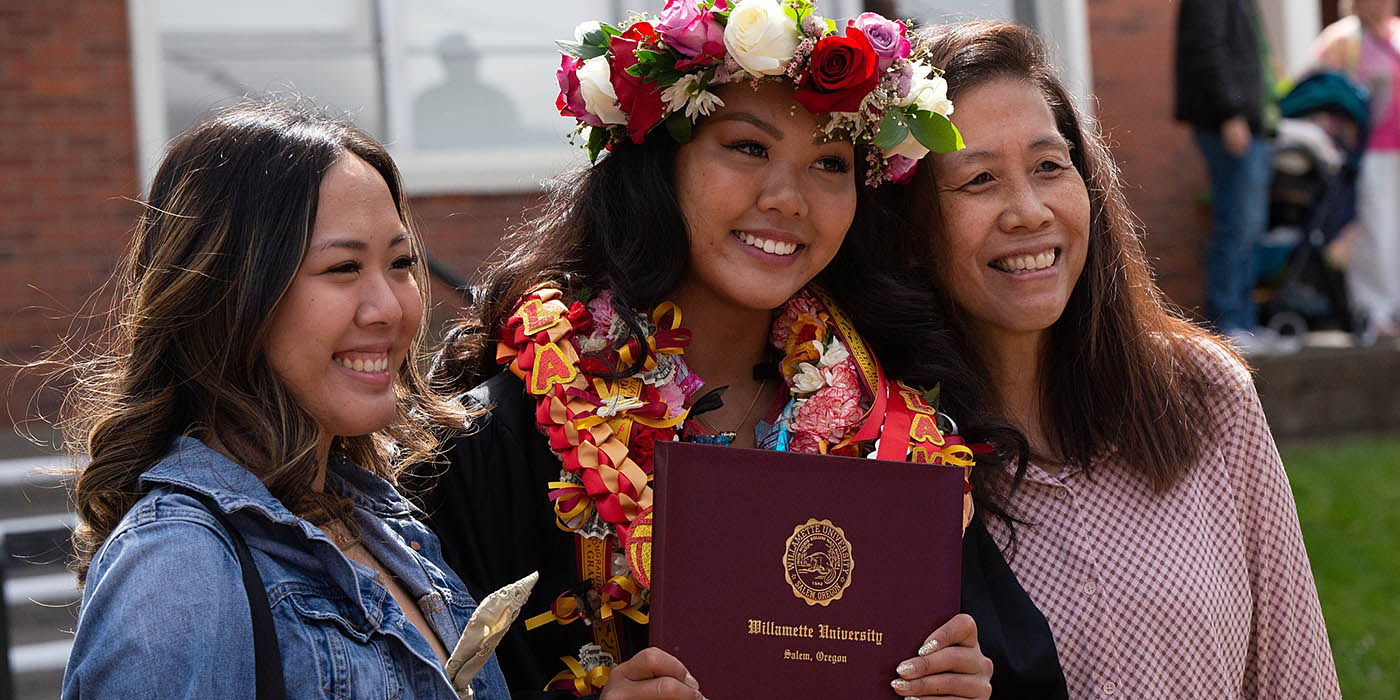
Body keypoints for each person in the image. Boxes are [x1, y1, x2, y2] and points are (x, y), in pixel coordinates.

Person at [417, 2, 1015, 697]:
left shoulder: (900, 436)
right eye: (748, 148)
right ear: (658, 165)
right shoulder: (500, 439)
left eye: (829, 162)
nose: (790, 199)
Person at [900, 20, 1343, 698]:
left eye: (1050, 166)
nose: (1028, 211)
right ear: (907, 225)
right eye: (979, 179)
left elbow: (1297, 673)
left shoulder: (1204, 395)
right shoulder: (882, 460)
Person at [58, 100, 511, 699]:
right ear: (230, 296)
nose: (391, 307)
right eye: (344, 267)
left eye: (401, 264)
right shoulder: (181, 568)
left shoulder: (379, 523)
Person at [1174, 0, 1279, 352]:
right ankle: (1227, 326)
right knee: (1238, 224)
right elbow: (1207, 46)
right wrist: (1231, 111)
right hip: (1230, 124)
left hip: (1250, 125)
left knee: (1248, 227)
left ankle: (1243, 324)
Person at [1313, 0, 1400, 342]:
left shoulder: (1396, 34)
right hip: (1366, 152)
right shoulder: (1342, 40)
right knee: (1374, 228)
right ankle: (1374, 312)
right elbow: (1320, 92)